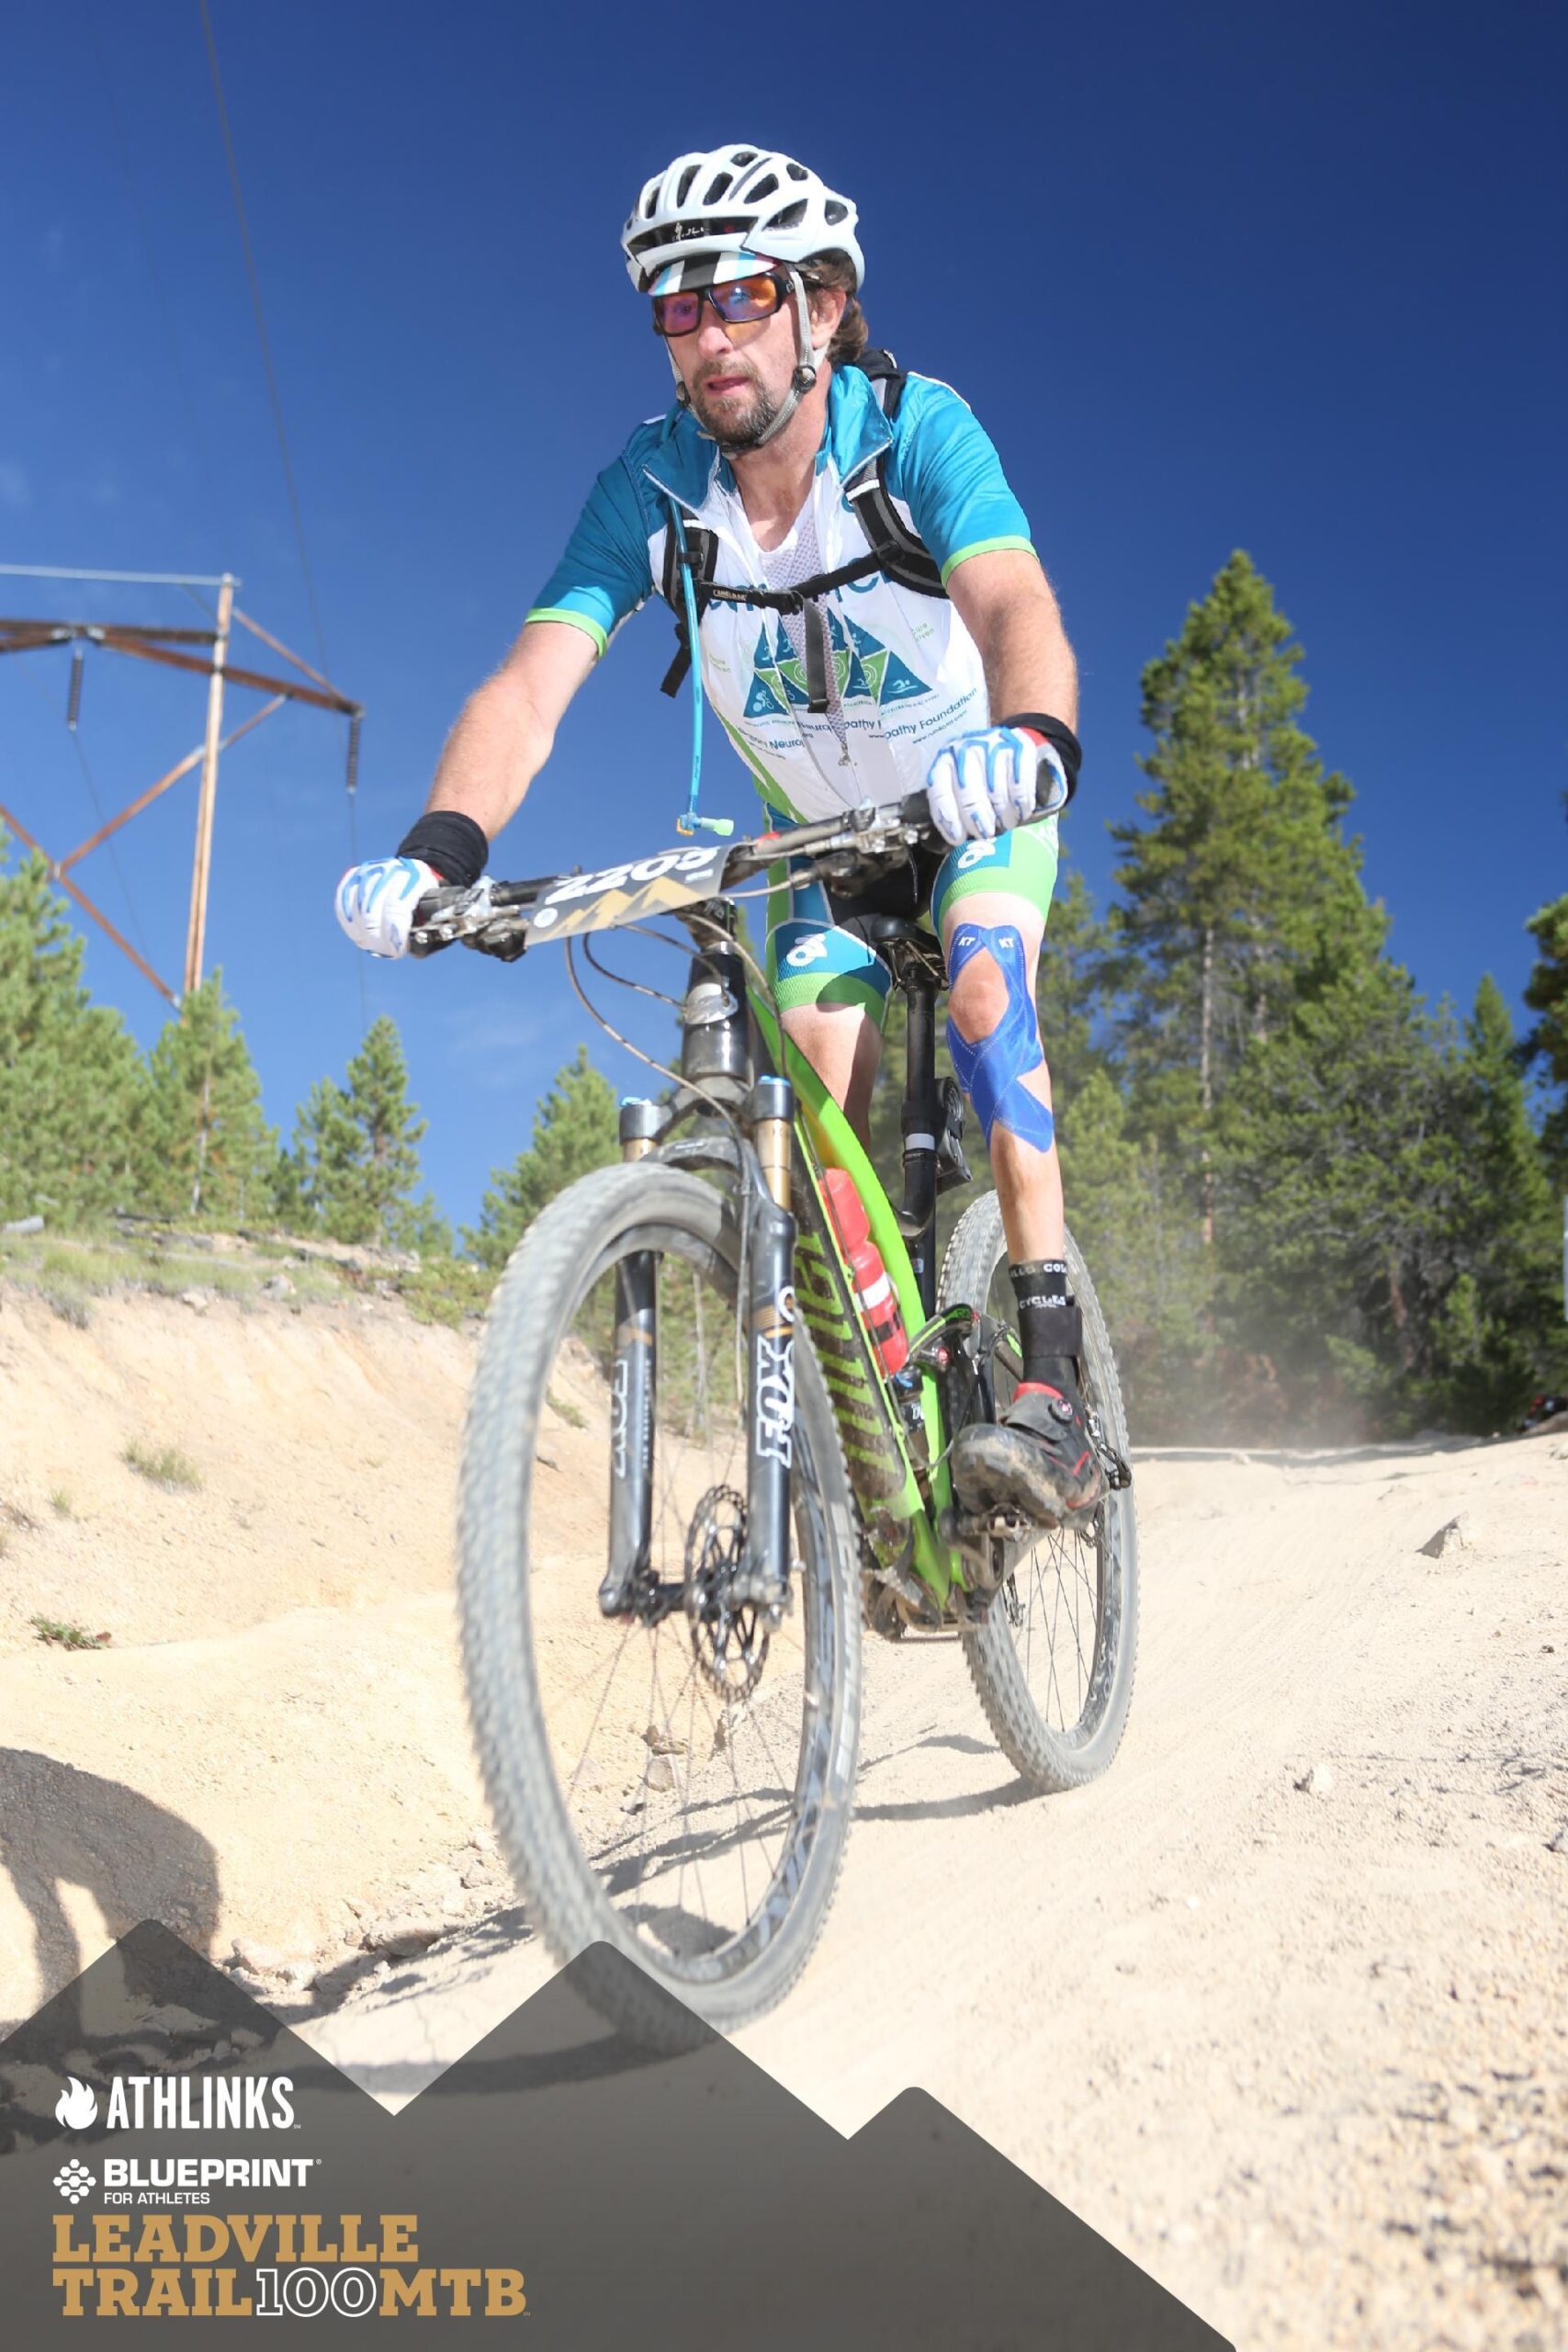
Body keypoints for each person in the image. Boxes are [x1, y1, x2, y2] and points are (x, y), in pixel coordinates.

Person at [335, 142, 1103, 1521]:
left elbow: (1013, 604)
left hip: (971, 806)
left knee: (984, 990)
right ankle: (857, 1434)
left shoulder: (914, 429)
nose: (709, 336)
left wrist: (1033, 738)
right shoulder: (652, 489)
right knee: (806, 1100)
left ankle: (1054, 1380)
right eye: (676, 310)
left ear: (820, 301)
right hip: (820, 847)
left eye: (739, 295)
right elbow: (531, 680)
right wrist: (441, 849)